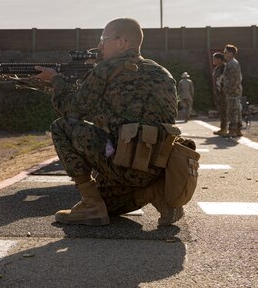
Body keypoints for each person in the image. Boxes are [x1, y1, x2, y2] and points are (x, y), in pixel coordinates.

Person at [35, 18, 193, 227]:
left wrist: (55, 81)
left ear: (122, 42)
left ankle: (91, 204)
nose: (100, 46)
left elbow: (72, 110)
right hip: (155, 166)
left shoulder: (106, 69)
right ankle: (156, 194)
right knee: (109, 206)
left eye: (104, 39)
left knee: (61, 127)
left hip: (121, 162)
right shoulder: (163, 73)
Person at [222, 44, 243, 137]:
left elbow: (234, 79)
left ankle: (233, 130)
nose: (224, 54)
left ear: (231, 53)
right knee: (236, 110)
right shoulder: (232, 62)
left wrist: (229, 90)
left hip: (232, 90)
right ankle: (238, 129)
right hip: (234, 90)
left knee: (232, 110)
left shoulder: (232, 63)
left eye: (225, 52)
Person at [212, 52, 227, 135]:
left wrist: (222, 91)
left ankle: (224, 129)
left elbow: (224, 80)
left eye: (214, 59)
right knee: (221, 111)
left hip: (223, 93)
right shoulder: (217, 68)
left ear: (219, 59)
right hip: (218, 92)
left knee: (224, 111)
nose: (213, 60)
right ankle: (223, 128)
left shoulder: (223, 67)